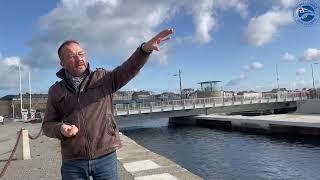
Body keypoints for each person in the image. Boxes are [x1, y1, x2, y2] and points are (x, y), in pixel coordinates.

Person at [42, 28, 173, 180]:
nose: (79, 59)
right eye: (72, 56)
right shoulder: (56, 90)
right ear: (62, 63)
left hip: (105, 156)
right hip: (73, 160)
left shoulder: (103, 78)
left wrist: (145, 50)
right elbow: (47, 125)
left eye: (81, 54)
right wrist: (61, 129)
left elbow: (128, 69)